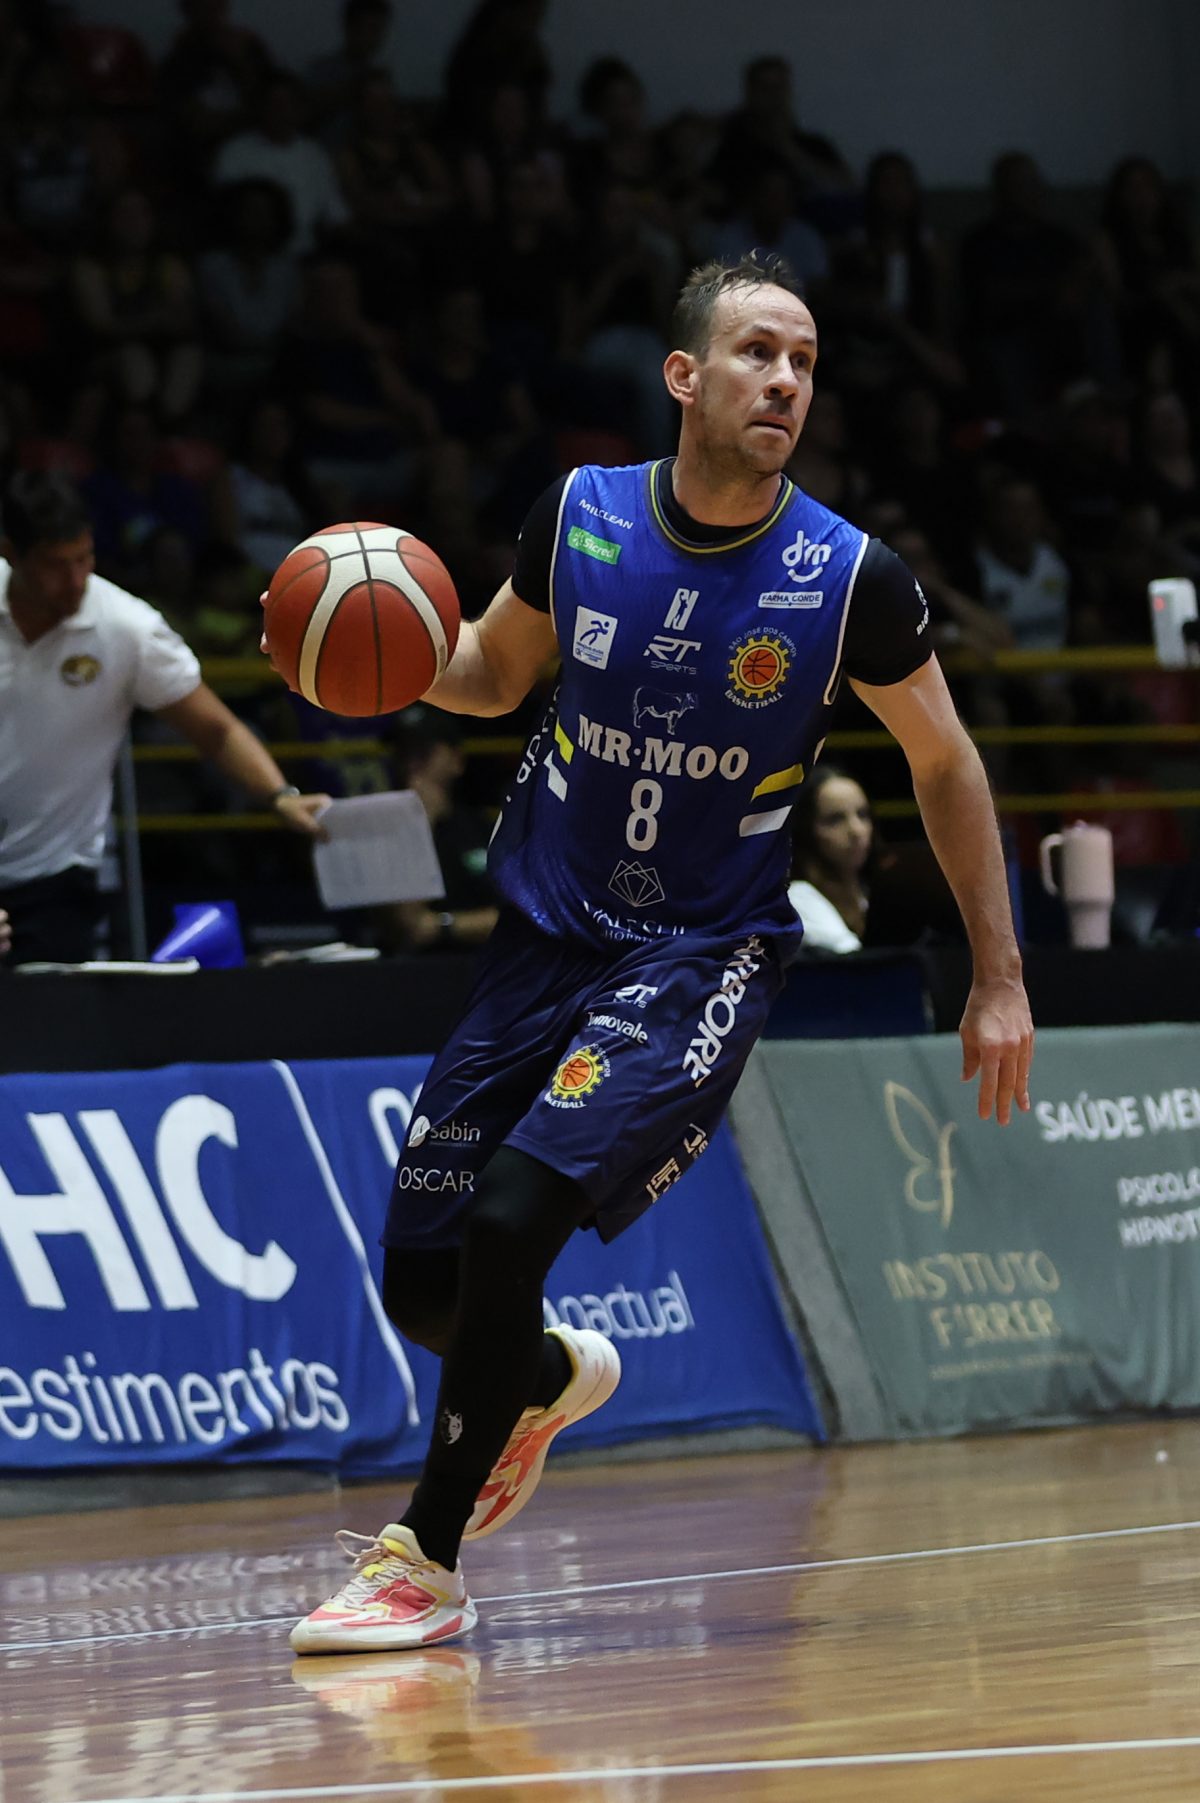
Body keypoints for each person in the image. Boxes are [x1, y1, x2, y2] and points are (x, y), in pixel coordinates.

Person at [286, 253, 1033, 1655]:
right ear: (684, 375)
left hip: (699, 952)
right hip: (542, 936)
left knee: (511, 1219)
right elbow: (493, 673)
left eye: (804, 362)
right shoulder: (580, 514)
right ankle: (544, 1375)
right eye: (758, 353)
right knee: (425, 1283)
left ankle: (422, 1560)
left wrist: (999, 974)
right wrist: (377, 654)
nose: (786, 381)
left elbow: (945, 761)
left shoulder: (847, 577)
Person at [0, 470, 328, 965]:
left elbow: (217, 729)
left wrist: (280, 796)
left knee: (46, 1009)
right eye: (54, 565)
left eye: (84, 558)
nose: (74, 581)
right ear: (11, 553)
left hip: (54, 877)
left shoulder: (126, 628)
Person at [787, 764, 873, 951]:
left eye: (862, 814)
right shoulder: (799, 897)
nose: (856, 831)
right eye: (835, 819)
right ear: (807, 830)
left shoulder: (868, 892)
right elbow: (854, 959)